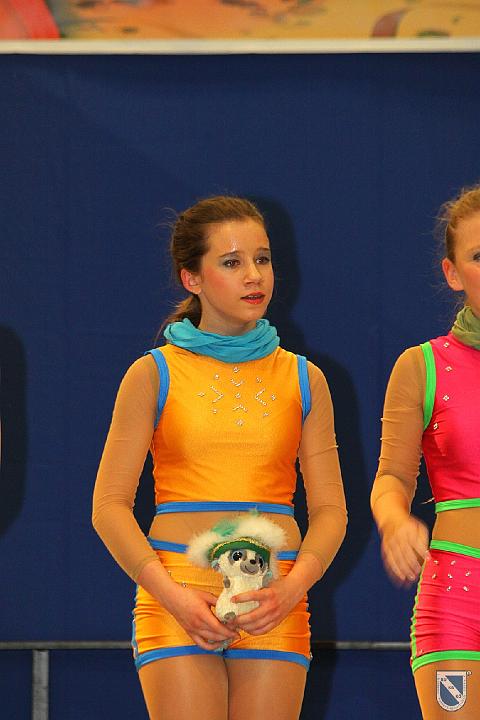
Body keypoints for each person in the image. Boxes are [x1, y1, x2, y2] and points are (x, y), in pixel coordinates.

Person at [93, 195, 347, 720]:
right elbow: (108, 507)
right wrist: (173, 597)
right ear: (192, 278)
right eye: (232, 262)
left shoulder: (305, 379)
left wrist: (291, 589)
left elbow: (332, 512)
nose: (254, 275)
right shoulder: (153, 374)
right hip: (177, 595)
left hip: (275, 598)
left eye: (263, 258)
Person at [371, 185, 480, 718]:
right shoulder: (421, 366)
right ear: (453, 273)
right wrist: (395, 521)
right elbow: (391, 477)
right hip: (457, 598)